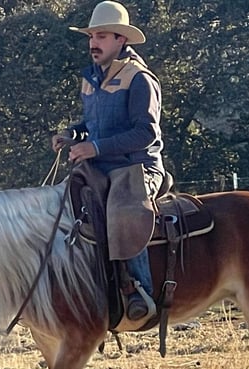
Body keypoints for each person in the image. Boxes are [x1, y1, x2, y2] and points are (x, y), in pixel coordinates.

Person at [52, 1, 164, 322]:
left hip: (137, 167)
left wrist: (95, 148)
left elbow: (145, 133)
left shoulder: (140, 79)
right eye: (91, 36)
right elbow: (94, 122)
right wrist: (72, 133)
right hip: (103, 164)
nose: (93, 43)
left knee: (123, 209)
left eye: (101, 36)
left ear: (121, 40)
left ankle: (139, 291)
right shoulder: (91, 77)